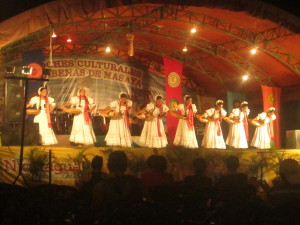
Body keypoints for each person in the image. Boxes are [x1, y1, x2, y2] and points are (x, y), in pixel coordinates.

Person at [92, 151, 144, 223]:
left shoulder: (100, 187)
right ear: (126, 166)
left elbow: (97, 212)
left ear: (108, 166)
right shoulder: (138, 183)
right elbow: (145, 207)